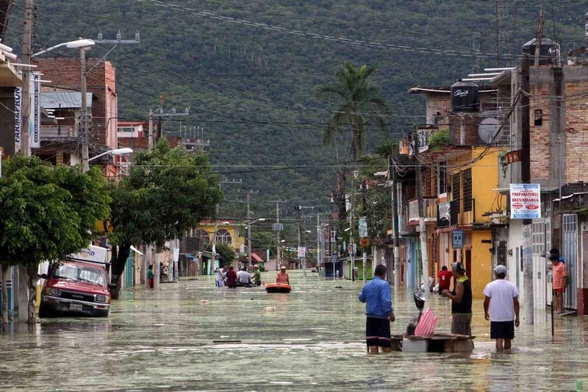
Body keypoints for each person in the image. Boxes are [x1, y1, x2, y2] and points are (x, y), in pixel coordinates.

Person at [358, 264, 395, 354]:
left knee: (373, 344)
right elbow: (386, 302)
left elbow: (361, 298)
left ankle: (374, 363)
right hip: (382, 319)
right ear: (383, 274)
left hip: (370, 319)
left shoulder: (367, 285)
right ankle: (386, 364)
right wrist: (391, 314)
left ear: (374, 273)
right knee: (386, 344)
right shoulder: (384, 284)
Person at [483, 264, 520, 352]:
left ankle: (499, 357)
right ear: (505, 274)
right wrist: (517, 317)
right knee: (508, 338)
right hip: (508, 317)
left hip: (496, 318)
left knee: (498, 339)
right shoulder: (512, 286)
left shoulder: (490, 286)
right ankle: (507, 356)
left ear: (495, 274)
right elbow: (516, 303)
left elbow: (486, 302)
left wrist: (485, 312)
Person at [441, 262, 472, 336]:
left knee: (458, 337)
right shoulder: (466, 279)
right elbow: (463, 294)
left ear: (454, 272)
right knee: (466, 337)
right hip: (467, 313)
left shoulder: (460, 283)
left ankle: (460, 348)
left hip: (459, 314)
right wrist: (451, 292)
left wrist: (447, 294)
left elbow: (458, 299)